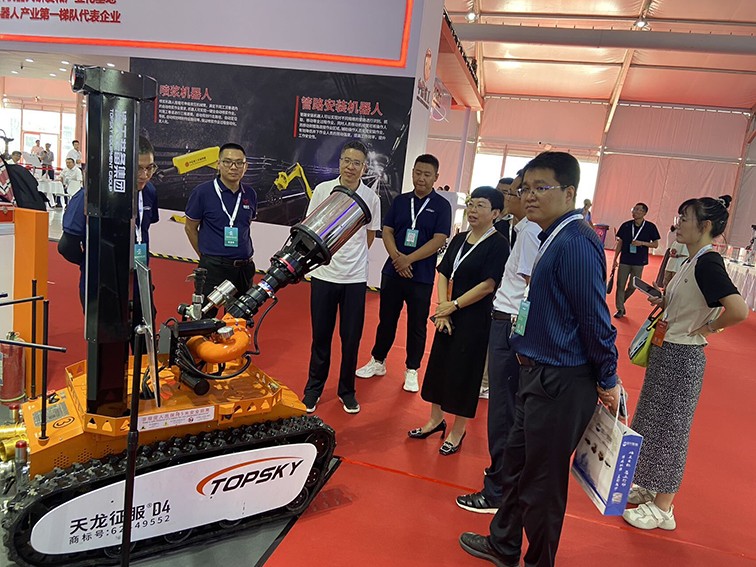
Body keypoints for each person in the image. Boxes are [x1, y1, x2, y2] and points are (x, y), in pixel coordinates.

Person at [459, 152, 621, 567]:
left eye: (541, 188)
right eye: (525, 188)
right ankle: (504, 543)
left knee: (543, 484)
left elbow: (594, 318)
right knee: (516, 465)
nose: (529, 196)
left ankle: (539, 561)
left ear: (569, 193)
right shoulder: (551, 235)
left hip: (561, 380)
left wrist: (607, 377)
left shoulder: (577, 241)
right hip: (536, 373)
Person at [622, 196, 748, 531]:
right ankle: (651, 486)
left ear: (705, 226)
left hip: (683, 356)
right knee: (652, 423)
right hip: (668, 350)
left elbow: (738, 310)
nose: (678, 223)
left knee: (672, 430)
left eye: (685, 218)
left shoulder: (708, 263)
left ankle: (664, 507)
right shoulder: (692, 260)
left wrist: (710, 328)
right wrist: (664, 300)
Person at [456, 174, 541, 513]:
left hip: (511, 324)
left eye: (518, 191)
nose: (513, 196)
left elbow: (531, 287)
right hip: (505, 321)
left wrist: (519, 331)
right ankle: (501, 481)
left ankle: (498, 490)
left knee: (504, 412)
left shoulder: (530, 232)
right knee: (503, 410)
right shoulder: (519, 229)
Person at [408, 186, 509, 455]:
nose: (473, 210)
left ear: (496, 213)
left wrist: (452, 306)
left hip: (474, 318)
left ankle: (458, 429)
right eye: (471, 204)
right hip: (448, 315)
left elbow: (488, 285)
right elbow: (443, 272)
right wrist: (443, 308)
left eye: (480, 206)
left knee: (465, 373)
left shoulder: (499, 244)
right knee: (439, 366)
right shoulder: (460, 238)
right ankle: (435, 420)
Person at [356, 154, 451, 392]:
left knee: (417, 325)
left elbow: (439, 239)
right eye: (417, 173)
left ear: (436, 177)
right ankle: (378, 361)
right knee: (386, 320)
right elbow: (387, 231)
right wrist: (398, 258)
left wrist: (409, 259)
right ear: (412, 173)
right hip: (393, 272)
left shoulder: (442, 206)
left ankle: (412, 370)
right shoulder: (400, 201)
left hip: (421, 276)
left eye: (427, 174)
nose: (421, 178)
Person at [302, 141, 381, 415]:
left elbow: (369, 236)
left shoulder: (371, 198)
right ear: (340, 162)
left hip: (354, 279)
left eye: (356, 163)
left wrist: (352, 260)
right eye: (346, 160)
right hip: (324, 275)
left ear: (364, 167)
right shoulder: (323, 190)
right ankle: (313, 389)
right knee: (321, 337)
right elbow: (312, 228)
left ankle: (347, 391)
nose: (350, 167)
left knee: (351, 339)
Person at [60, 136, 158, 310]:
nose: (144, 175)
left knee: (145, 324)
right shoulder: (91, 196)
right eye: (138, 168)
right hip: (102, 281)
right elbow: (67, 246)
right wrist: (90, 261)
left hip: (138, 277)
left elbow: (144, 228)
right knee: (108, 326)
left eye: (150, 168)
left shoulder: (148, 191)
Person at [185, 143, 258, 315]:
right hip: (214, 268)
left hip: (244, 269)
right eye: (227, 162)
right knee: (205, 317)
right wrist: (206, 257)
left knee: (239, 319)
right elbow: (190, 228)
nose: (233, 167)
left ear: (245, 166)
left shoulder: (250, 194)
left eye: (239, 163)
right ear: (218, 164)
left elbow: (246, 225)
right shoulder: (202, 192)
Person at [612, 202, 660, 318]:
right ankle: (620, 309)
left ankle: (621, 301)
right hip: (624, 260)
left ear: (644, 213)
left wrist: (641, 243)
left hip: (639, 261)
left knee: (633, 286)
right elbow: (620, 243)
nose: (635, 212)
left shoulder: (650, 227)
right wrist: (615, 259)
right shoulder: (626, 225)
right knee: (620, 284)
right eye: (634, 209)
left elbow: (655, 244)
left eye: (638, 210)